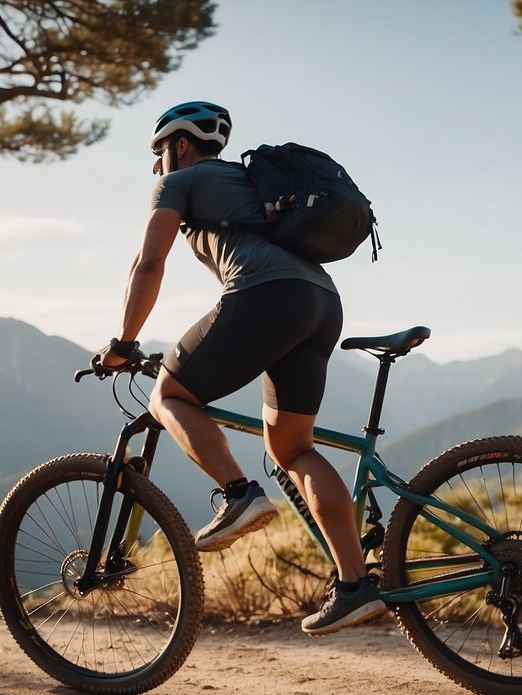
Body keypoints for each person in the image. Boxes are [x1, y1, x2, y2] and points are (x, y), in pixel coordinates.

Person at [91, 101, 386, 635]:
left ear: (178, 144)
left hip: (265, 295)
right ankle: (355, 585)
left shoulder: (178, 183)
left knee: (170, 398)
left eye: (158, 153)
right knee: (294, 449)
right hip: (321, 302)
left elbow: (149, 262)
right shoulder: (248, 179)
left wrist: (123, 342)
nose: (157, 165)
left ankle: (239, 495)